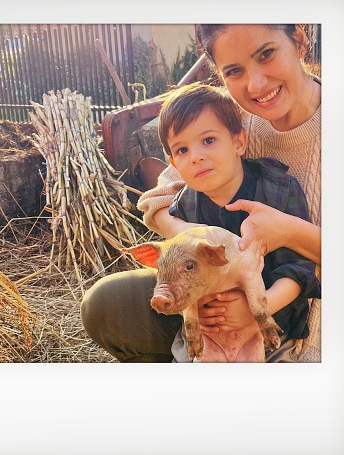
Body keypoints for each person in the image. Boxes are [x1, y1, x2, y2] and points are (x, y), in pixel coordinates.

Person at [81, 24, 321, 362]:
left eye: (266, 54)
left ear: (298, 38)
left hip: (291, 307)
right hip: (205, 299)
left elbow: (298, 270)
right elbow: (158, 200)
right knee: (105, 304)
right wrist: (198, 243)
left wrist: (290, 235)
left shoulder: (277, 186)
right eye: (234, 70)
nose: (256, 85)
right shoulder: (228, 118)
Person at [156, 82, 320, 362]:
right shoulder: (185, 203)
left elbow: (299, 269)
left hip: (273, 327)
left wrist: (258, 308)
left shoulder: (278, 190)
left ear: (239, 142)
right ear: (173, 162)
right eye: (182, 150)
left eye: (208, 140)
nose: (196, 157)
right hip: (206, 331)